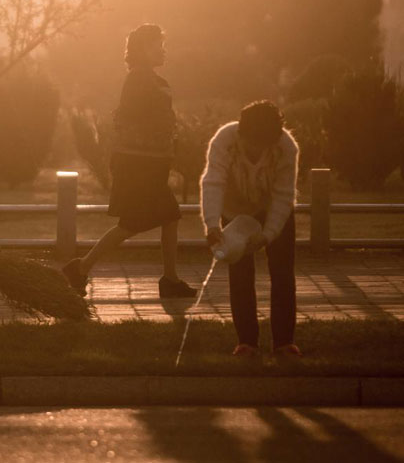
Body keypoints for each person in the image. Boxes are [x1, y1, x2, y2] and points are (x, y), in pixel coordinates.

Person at [62, 23, 196, 299]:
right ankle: (82, 268)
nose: (163, 50)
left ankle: (167, 279)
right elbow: (134, 120)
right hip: (140, 166)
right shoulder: (139, 80)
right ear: (143, 50)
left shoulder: (151, 80)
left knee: (163, 217)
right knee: (138, 222)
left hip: (151, 164)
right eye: (158, 45)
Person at [200, 100, 301, 358]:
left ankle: (284, 342)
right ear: (241, 133)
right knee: (240, 272)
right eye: (251, 143)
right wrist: (212, 224)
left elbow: (283, 195)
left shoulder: (286, 148)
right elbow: (213, 183)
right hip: (234, 210)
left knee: (282, 272)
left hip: (273, 209)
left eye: (262, 145)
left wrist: (268, 235)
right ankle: (246, 341)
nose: (256, 150)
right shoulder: (224, 140)